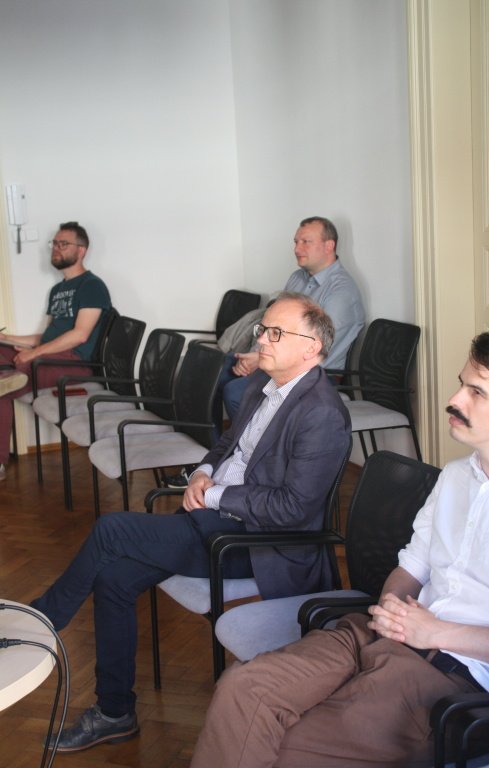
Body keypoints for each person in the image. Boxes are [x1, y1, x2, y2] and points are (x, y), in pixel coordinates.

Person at [30, 293, 351, 753]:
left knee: (112, 530)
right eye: (263, 329)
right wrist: (202, 472)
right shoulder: (264, 385)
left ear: (311, 347)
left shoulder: (321, 412)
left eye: (276, 332)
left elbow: (293, 509)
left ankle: (40, 623)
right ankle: (115, 712)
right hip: (214, 521)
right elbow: (227, 445)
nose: (262, 339)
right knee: (115, 579)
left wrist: (214, 493)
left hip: (257, 545)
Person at [190, 330, 489, 768]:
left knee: (288, 748)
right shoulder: (455, 476)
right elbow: (412, 566)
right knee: (243, 688)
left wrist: (435, 633)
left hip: (454, 679)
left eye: (476, 391)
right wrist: (392, 606)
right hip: (380, 634)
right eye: (461, 384)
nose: (454, 399)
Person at [222, 216, 365, 422]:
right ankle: (219, 442)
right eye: (296, 242)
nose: (297, 249)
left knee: (236, 393)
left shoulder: (341, 291)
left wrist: (261, 361)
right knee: (221, 369)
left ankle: (262, 442)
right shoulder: (297, 278)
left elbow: (314, 348)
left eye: (306, 242)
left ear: (329, 245)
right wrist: (255, 355)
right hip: (279, 361)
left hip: (314, 373)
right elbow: (272, 326)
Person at [0, 222, 111, 481]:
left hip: (73, 364)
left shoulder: (92, 286)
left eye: (64, 244)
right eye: (55, 243)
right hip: (49, 356)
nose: (56, 248)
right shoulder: (58, 290)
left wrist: (32, 354)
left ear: (81, 250)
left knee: (4, 388)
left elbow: (80, 335)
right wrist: (8, 338)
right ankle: (9, 374)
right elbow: (47, 337)